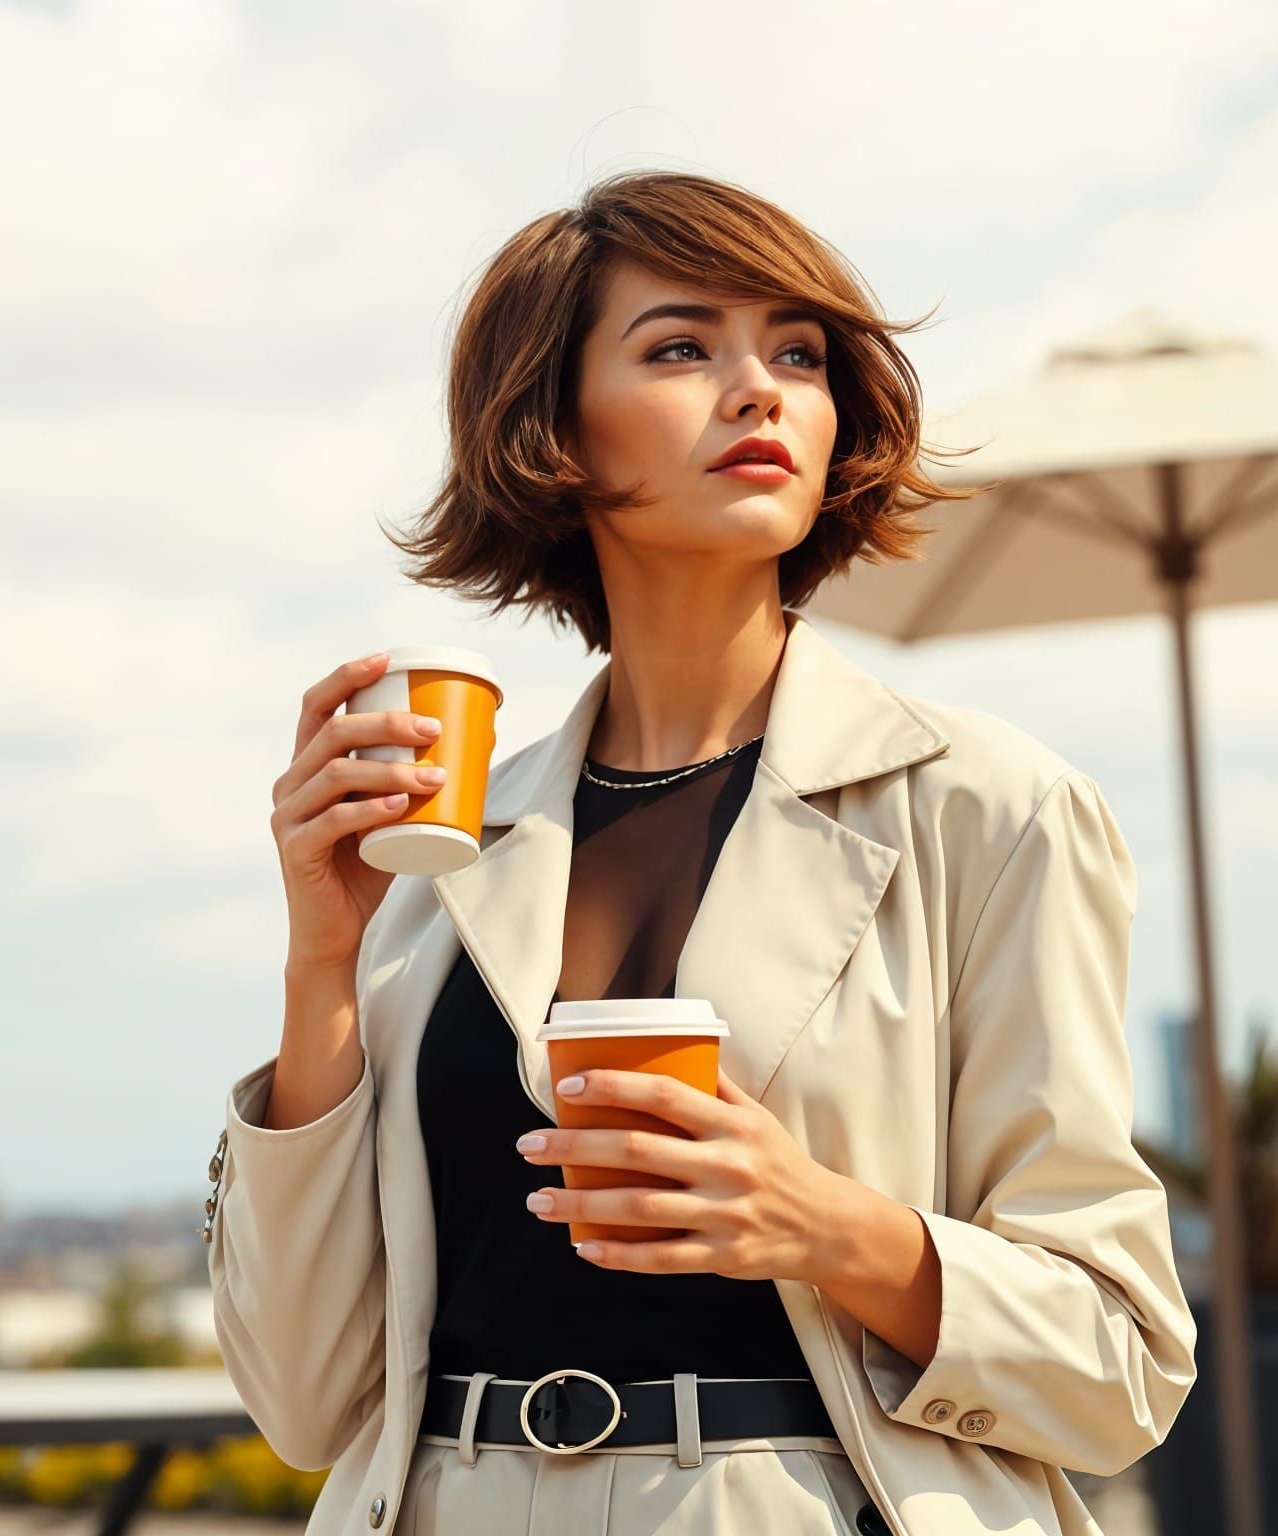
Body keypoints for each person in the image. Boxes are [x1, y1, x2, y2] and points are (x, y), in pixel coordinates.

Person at [206, 170, 1198, 1535]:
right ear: (552, 428)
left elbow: (1121, 1365)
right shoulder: (445, 849)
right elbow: (308, 1402)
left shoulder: (992, 811)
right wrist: (323, 955)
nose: (760, 389)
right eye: (682, 347)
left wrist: (822, 1224)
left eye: (798, 352)